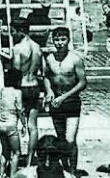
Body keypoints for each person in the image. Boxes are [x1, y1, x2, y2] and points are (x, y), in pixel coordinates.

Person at [43, 27, 88, 176]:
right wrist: (49, 91)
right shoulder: (49, 58)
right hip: (56, 102)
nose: (60, 43)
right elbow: (47, 77)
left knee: (70, 139)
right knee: (61, 139)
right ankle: (65, 169)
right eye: (57, 39)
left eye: (63, 39)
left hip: (71, 102)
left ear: (68, 40)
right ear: (53, 40)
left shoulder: (75, 59)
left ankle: (73, 169)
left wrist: (64, 97)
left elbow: (82, 83)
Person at [9, 18, 44, 166]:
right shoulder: (37, 47)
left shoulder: (18, 48)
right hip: (34, 86)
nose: (11, 35)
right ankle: (30, 161)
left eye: (13, 32)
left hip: (21, 87)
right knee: (33, 126)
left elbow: (16, 70)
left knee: (14, 123)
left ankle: (15, 157)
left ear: (21, 31)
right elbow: (42, 71)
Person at [0, 69, 27, 178]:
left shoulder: (3, 91)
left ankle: (1, 174)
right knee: (16, 153)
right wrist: (24, 124)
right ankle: (13, 175)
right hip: (11, 126)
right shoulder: (17, 92)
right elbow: (19, 109)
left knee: (5, 152)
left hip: (1, 125)